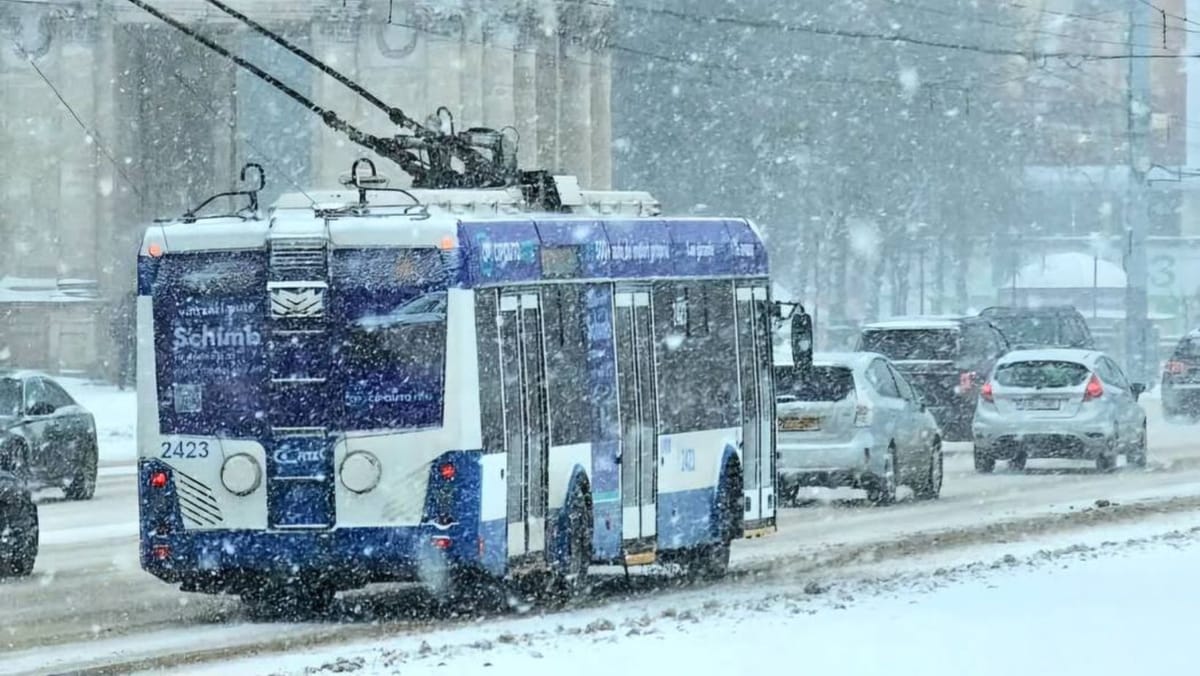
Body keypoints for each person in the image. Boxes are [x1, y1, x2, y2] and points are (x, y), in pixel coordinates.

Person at [110, 294, 135, 390]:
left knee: (124, 362)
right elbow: (113, 327)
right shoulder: (124, 313)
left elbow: (113, 327)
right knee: (125, 362)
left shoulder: (121, 313)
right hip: (127, 340)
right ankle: (126, 382)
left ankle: (123, 382)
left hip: (126, 341)